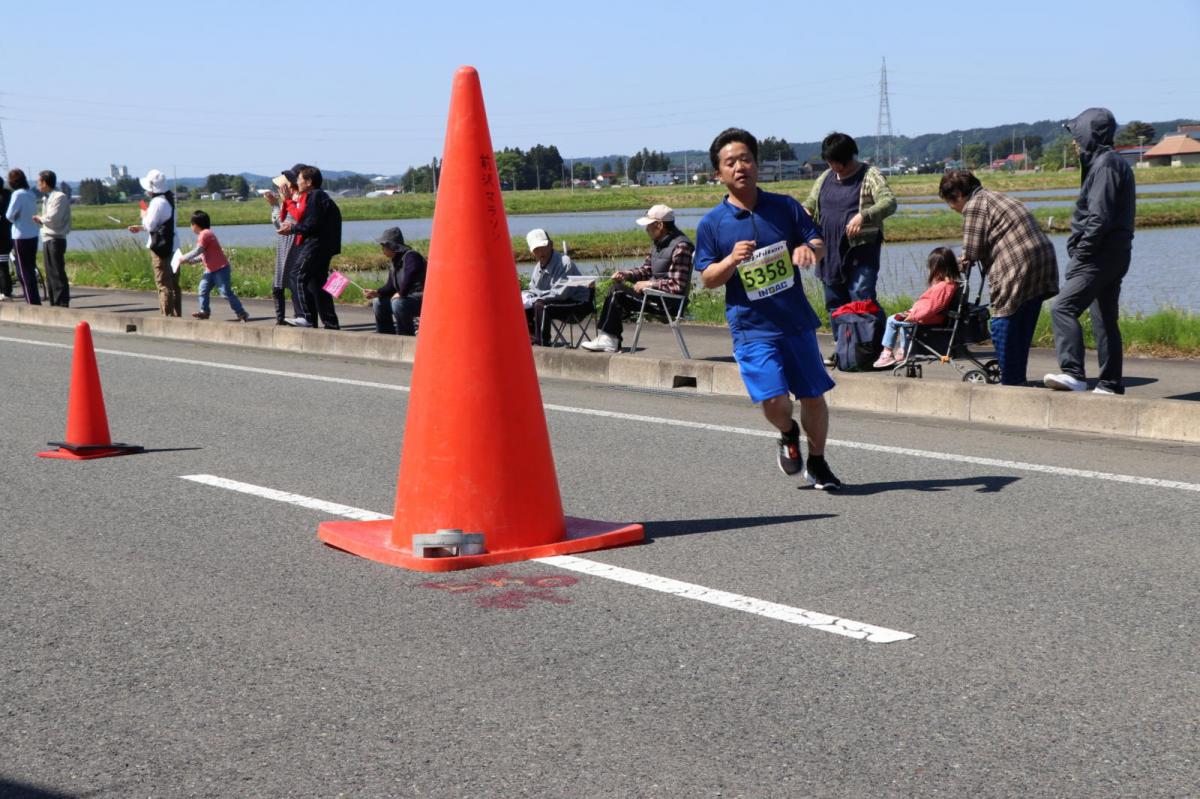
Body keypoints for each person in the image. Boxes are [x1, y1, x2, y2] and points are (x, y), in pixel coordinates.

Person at [695, 128, 841, 490]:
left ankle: (819, 463)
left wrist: (811, 251)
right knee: (774, 399)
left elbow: (817, 241)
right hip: (752, 327)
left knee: (812, 395)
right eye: (730, 163)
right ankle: (788, 432)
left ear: (757, 164)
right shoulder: (712, 223)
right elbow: (707, 278)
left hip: (795, 321)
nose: (740, 167)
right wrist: (730, 260)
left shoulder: (785, 206)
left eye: (746, 159)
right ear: (719, 173)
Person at [1044, 107, 1136, 395]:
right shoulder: (1107, 163)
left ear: (1089, 134)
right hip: (1113, 253)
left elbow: (1099, 217)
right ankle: (1109, 384)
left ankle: (1073, 373)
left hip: (1099, 255)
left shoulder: (1106, 165)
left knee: (1062, 307)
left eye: (1076, 134)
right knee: (1104, 319)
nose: (1074, 142)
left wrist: (1082, 254)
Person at [939, 169, 1059, 386]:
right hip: (1043, 260)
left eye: (950, 202)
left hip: (1017, 263)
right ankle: (1016, 378)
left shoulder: (974, 205)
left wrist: (953, 265)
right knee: (1022, 322)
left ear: (957, 194)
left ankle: (1010, 381)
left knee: (1002, 320)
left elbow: (972, 251)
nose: (953, 208)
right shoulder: (997, 196)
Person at [801, 132, 897, 366]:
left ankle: (877, 348)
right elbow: (810, 204)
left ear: (849, 157)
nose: (834, 167)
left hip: (860, 251)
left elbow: (889, 202)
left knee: (862, 298)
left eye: (838, 162)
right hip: (828, 252)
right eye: (830, 162)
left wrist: (864, 216)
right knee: (835, 304)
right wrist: (803, 214)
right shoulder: (825, 177)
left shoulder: (869, 175)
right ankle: (844, 349)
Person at [580, 205, 693, 353]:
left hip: (669, 304)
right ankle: (608, 338)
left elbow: (677, 286)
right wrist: (627, 274)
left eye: (649, 225)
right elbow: (647, 270)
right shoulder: (658, 244)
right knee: (616, 290)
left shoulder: (681, 246)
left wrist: (650, 284)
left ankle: (609, 339)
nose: (646, 230)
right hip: (655, 296)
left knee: (617, 292)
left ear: (659, 225)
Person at [872, 247, 960, 368]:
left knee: (892, 320)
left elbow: (932, 308)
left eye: (931, 267)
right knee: (902, 322)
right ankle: (905, 350)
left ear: (938, 269)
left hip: (926, 317)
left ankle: (887, 353)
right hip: (926, 315)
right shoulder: (950, 283)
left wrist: (913, 316)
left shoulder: (942, 287)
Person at [277, 165, 341, 330]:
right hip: (321, 245)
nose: (297, 181)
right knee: (318, 284)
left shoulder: (314, 196)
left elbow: (309, 224)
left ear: (309, 181)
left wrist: (293, 227)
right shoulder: (317, 195)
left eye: (299, 179)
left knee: (297, 275)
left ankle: (304, 316)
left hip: (315, 244)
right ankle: (330, 324)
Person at [521, 228, 590, 346]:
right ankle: (530, 337)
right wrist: (526, 296)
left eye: (543, 247)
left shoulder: (564, 263)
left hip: (577, 303)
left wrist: (535, 299)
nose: (541, 252)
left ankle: (542, 342)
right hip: (556, 302)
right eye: (536, 249)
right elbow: (534, 289)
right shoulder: (538, 267)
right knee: (522, 304)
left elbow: (561, 293)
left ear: (551, 244)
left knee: (540, 305)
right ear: (532, 252)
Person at [178, 210, 250, 322]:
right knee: (202, 289)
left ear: (196, 225)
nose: (191, 227)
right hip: (210, 270)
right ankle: (204, 311)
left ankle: (241, 313)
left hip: (221, 268)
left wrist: (184, 257)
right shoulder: (205, 234)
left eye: (191, 224)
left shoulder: (205, 234)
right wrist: (190, 261)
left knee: (225, 292)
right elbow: (202, 255)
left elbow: (198, 250)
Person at [127, 169, 181, 316]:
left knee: (163, 284)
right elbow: (162, 224)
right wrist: (141, 227)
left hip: (161, 248)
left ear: (152, 188)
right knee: (174, 284)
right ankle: (177, 316)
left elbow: (151, 225)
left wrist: (144, 214)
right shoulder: (169, 199)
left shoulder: (157, 202)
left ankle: (166, 317)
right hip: (174, 245)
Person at [364, 227, 425, 336]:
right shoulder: (394, 261)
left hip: (420, 298)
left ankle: (405, 335)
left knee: (398, 303)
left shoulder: (411, 256)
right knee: (378, 302)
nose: (382, 249)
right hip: (407, 297)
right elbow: (391, 286)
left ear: (391, 246)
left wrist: (401, 293)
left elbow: (409, 276)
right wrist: (377, 292)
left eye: (383, 246)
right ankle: (386, 336)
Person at [266, 168, 306, 325]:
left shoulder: (295, 200)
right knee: (287, 283)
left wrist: (275, 205)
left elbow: (282, 224)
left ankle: (290, 318)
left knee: (287, 283)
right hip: (288, 244)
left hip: (291, 245)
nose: (279, 189)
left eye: (283, 185)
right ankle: (287, 318)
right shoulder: (295, 199)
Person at [33, 170, 72, 307]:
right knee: (50, 272)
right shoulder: (47, 197)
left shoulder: (59, 197)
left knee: (57, 271)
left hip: (56, 237)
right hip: (47, 237)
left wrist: (40, 219)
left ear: (45, 182)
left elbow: (54, 218)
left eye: (39, 182)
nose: (38, 184)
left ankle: (62, 301)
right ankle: (54, 301)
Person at [5, 169, 41, 305]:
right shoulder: (30, 193)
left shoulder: (17, 194)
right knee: (30, 268)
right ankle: (34, 298)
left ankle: (31, 301)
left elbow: (9, 215)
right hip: (33, 234)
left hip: (20, 235)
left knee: (22, 270)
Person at [0, 176, 13, 301]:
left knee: (2, 266)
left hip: (1, 237)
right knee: (3, 265)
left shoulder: (2, 199)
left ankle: (5, 291)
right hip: (8, 235)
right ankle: (6, 290)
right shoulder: (8, 195)